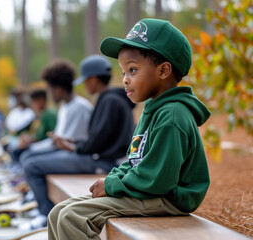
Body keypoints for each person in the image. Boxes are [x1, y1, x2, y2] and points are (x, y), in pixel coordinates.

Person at [48, 18, 211, 240]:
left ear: (163, 71)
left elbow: (158, 180)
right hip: (149, 191)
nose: (125, 80)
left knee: (72, 218)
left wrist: (112, 184)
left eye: (132, 70)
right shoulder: (153, 109)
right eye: (123, 72)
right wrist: (113, 178)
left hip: (167, 198)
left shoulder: (171, 116)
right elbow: (137, 162)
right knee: (58, 212)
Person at [19, 55, 136, 231]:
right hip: (100, 158)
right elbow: (98, 138)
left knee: (32, 165)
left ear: (94, 79)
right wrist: (72, 142)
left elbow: (96, 142)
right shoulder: (109, 99)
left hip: (104, 163)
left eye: (86, 81)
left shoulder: (109, 100)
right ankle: (44, 210)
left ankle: (45, 215)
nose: (84, 85)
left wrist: (73, 146)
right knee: (31, 161)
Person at [18, 59, 94, 230]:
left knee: (30, 163)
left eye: (50, 89)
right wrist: (31, 146)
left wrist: (32, 148)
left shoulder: (79, 107)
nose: (50, 94)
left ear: (58, 88)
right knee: (27, 156)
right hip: (68, 153)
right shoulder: (66, 106)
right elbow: (57, 140)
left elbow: (65, 142)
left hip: (79, 155)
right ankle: (39, 203)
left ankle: (45, 214)